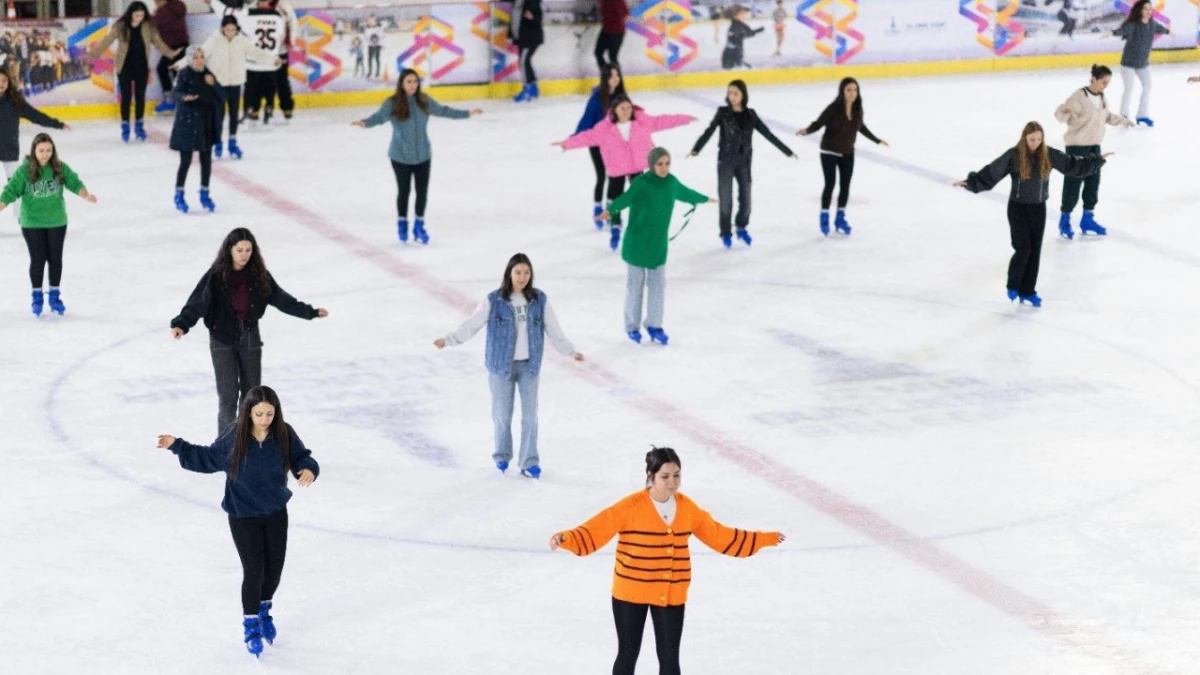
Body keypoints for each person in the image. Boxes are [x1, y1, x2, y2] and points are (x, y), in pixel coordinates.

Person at [550, 446, 785, 675]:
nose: (672, 482)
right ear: (650, 476)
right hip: (631, 591)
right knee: (628, 653)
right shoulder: (629, 507)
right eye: (665, 476)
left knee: (670, 659)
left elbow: (719, 535)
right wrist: (567, 538)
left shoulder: (687, 508)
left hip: (671, 593)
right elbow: (597, 529)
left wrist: (763, 539)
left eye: (677, 475)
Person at [155, 385, 319, 658]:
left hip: (276, 512)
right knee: (254, 571)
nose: (265, 418)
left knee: (274, 571)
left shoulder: (283, 433)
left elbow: (300, 457)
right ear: (249, 413)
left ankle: (265, 610)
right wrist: (177, 445)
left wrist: (308, 469)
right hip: (243, 516)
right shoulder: (235, 436)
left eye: (269, 413)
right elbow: (207, 458)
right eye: (259, 414)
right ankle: (251, 624)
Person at [433, 253, 584, 479]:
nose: (522, 277)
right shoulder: (494, 300)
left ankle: (529, 460)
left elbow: (553, 329)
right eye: (518, 272)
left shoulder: (539, 300)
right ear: (509, 273)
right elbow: (472, 324)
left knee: (530, 416)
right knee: (502, 414)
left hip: (529, 366)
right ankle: (502, 455)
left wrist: (570, 351)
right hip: (500, 366)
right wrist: (450, 339)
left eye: (526, 272)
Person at [170, 228, 329, 432]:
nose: (244, 254)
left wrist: (310, 312)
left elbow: (282, 299)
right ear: (229, 250)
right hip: (221, 340)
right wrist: (181, 324)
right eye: (240, 250)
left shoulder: (258, 275)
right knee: (228, 397)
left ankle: (248, 444)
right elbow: (198, 302)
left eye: (248, 249)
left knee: (251, 396)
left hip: (250, 338)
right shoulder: (217, 276)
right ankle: (226, 446)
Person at [953, 121, 1109, 307]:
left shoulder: (1049, 154)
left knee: (1034, 251)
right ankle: (1013, 285)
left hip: (1038, 208)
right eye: (1031, 139)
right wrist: (972, 183)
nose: (1035, 143)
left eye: (1038, 139)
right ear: (1024, 138)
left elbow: (1073, 166)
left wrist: (1096, 160)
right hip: (1017, 208)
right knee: (1023, 248)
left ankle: (1027, 291)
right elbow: (992, 172)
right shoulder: (1015, 155)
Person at [596, 148, 714, 345]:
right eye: (659, 164)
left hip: (657, 246)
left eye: (667, 163)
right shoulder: (641, 183)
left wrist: (704, 199)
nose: (664, 168)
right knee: (635, 288)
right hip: (636, 243)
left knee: (658, 288)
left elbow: (687, 193)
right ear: (651, 165)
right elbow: (625, 199)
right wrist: (610, 210)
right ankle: (632, 326)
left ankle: (654, 324)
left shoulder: (672, 183)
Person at [352, 68, 483, 244]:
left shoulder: (424, 100)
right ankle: (402, 223)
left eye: (415, 81)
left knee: (422, 192)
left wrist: (467, 113)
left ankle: (419, 225)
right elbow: (379, 117)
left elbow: (444, 111)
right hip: (400, 156)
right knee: (404, 192)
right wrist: (365, 122)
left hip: (423, 156)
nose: (413, 85)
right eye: (409, 82)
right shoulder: (392, 103)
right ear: (402, 84)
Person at [557, 96, 694, 251]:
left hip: (637, 166)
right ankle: (615, 227)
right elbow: (586, 137)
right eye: (622, 108)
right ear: (614, 110)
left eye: (629, 108)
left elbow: (662, 121)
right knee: (616, 199)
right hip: (618, 169)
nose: (627, 111)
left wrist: (685, 119)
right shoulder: (604, 128)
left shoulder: (641, 121)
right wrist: (567, 144)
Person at [689, 79, 795, 248]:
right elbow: (709, 130)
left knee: (746, 199)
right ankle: (725, 232)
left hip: (744, 162)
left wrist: (786, 150)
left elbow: (767, 133)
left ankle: (741, 226)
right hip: (726, 161)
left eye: (735, 93)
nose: (732, 96)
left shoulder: (751, 115)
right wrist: (697, 148)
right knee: (726, 199)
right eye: (729, 93)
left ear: (743, 95)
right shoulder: (722, 113)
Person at [0, 133, 97, 317]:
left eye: (48, 150)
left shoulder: (59, 167)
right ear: (34, 151)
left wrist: (85, 194)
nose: (45, 154)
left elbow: (73, 181)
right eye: (41, 151)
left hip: (56, 221)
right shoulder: (24, 171)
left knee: (55, 259)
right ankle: (37, 295)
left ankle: (54, 295)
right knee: (38, 259)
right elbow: (10, 191)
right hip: (32, 222)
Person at [796, 76, 888, 237]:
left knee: (845, 186)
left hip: (847, 152)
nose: (852, 93)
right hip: (829, 152)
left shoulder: (858, 109)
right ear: (842, 92)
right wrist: (807, 130)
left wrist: (876, 140)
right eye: (848, 90)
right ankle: (824, 216)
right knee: (830, 184)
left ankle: (840, 218)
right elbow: (818, 123)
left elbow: (861, 127)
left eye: (855, 90)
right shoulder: (833, 108)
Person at [1052, 64, 1133, 239]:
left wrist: (1124, 121)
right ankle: (1064, 220)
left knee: (1092, 183)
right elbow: (1061, 116)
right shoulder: (1078, 97)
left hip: (1095, 147)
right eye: (1103, 82)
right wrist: (1063, 110)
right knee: (1073, 184)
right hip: (1077, 148)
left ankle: (1087, 219)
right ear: (1093, 79)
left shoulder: (1101, 96)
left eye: (1108, 82)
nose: (1106, 85)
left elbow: (1106, 116)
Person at [87, 1, 181, 142]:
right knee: (125, 97)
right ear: (131, 13)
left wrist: (171, 54)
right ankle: (125, 126)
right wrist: (93, 54)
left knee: (140, 97)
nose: (139, 18)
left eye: (142, 15)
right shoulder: (121, 26)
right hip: (124, 67)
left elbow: (158, 42)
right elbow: (107, 40)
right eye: (137, 15)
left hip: (141, 67)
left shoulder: (148, 26)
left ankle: (139, 125)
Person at [201, 15, 282, 159]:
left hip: (235, 83)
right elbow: (199, 55)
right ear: (222, 28)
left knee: (233, 115)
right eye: (227, 30)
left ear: (237, 29)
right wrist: (182, 65)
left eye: (233, 30)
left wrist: (273, 60)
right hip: (219, 84)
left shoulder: (242, 41)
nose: (230, 33)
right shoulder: (214, 41)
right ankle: (218, 142)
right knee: (219, 115)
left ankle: (232, 142)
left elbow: (257, 54)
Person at [207, 0, 293, 124]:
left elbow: (227, 13)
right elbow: (281, 36)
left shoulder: (248, 14)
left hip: (253, 62)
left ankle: (251, 110)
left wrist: (213, 2)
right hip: (270, 61)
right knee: (270, 86)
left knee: (251, 87)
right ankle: (269, 108)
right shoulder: (278, 17)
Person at [573, 63, 632, 226]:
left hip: (614, 145)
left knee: (614, 177)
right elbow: (586, 120)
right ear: (605, 78)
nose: (615, 79)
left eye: (617, 76)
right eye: (612, 76)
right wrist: (574, 139)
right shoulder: (597, 97)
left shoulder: (622, 97)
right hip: (597, 143)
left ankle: (610, 209)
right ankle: (597, 208)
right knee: (601, 175)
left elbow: (631, 118)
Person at [170, 46, 225, 214]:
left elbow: (222, 96)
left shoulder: (208, 74)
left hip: (206, 123)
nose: (200, 60)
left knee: (206, 160)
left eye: (201, 57)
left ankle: (205, 193)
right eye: (196, 57)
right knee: (185, 161)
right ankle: (179, 194)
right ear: (189, 59)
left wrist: (213, 84)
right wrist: (184, 98)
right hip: (187, 123)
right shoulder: (184, 74)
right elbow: (176, 93)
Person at [1105, 0, 1170, 126]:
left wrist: (1168, 32)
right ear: (1139, 10)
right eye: (1146, 9)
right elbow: (1123, 30)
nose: (1149, 11)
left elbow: (1159, 27)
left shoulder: (1151, 22)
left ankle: (1142, 115)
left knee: (1147, 87)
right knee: (1129, 89)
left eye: (1150, 9)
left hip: (1143, 64)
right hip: (1128, 63)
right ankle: (1123, 116)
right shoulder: (1133, 24)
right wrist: (1112, 33)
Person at [0, 69, 67, 183]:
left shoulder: (15, 101)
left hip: (9, 147)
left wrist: (57, 124)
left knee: (14, 184)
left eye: (4, 81)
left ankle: (18, 202)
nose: (1, 84)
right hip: (9, 147)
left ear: (9, 82)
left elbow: (35, 115)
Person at [152, 0, 190, 113]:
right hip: (178, 45)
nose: (155, 2)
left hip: (176, 46)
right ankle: (174, 101)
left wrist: (156, 12)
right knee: (169, 71)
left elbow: (156, 22)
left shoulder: (164, 11)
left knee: (169, 71)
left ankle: (174, 102)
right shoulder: (176, 6)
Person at [510, 0, 543, 102]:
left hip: (529, 38)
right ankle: (533, 87)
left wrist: (532, 17)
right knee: (526, 61)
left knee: (523, 62)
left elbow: (537, 17)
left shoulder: (532, 3)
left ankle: (527, 88)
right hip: (521, 37)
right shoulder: (519, 2)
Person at [722, 5, 763, 69]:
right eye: (742, 14)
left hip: (737, 51)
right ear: (735, 16)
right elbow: (735, 39)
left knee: (744, 68)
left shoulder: (742, 25)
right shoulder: (734, 26)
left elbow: (750, 33)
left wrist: (759, 30)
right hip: (731, 53)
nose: (745, 15)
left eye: (745, 13)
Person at [595, 0, 628, 71]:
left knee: (612, 57)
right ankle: (607, 76)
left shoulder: (618, 2)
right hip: (606, 30)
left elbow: (625, 14)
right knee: (598, 53)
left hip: (617, 32)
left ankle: (615, 79)